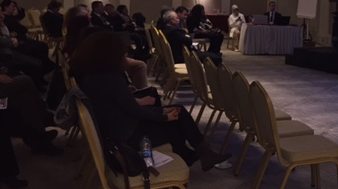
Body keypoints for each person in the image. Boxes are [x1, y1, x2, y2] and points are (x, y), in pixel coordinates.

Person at [70, 31, 230, 170]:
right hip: (126, 137)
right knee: (175, 124)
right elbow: (135, 111)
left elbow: (126, 106)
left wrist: (162, 113)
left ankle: (196, 155)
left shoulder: (91, 75)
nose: (126, 57)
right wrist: (164, 116)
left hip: (116, 131)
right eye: (123, 54)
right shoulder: (110, 77)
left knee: (177, 112)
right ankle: (190, 158)